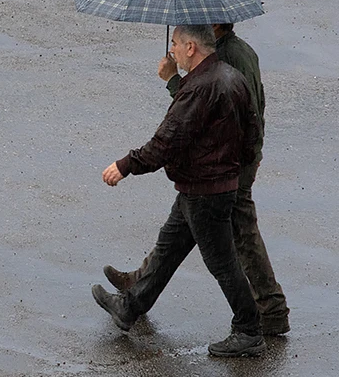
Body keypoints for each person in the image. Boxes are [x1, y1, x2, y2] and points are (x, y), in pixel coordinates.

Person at [103, 23, 291, 336]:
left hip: (213, 180)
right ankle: (133, 296)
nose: (173, 47)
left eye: (177, 43)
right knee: (173, 241)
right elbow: (243, 122)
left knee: (227, 255)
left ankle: (260, 321)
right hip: (209, 177)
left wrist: (126, 165)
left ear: (194, 45)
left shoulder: (223, 66)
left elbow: (183, 127)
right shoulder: (229, 63)